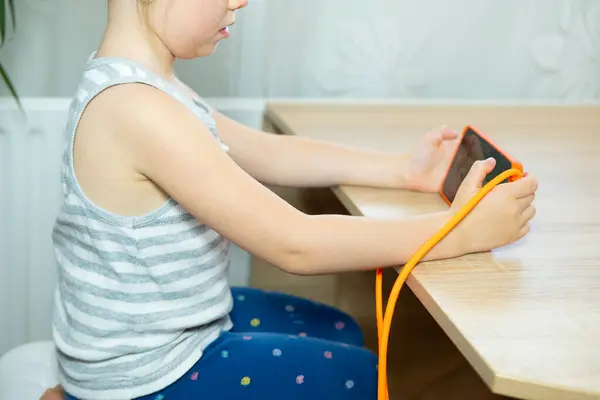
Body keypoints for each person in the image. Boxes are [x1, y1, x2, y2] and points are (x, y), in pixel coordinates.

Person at [40, 0, 538, 399]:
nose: (241, 2)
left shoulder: (149, 86)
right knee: (368, 375)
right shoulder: (137, 109)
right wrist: (460, 232)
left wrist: (402, 170)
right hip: (149, 375)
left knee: (343, 327)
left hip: (161, 336)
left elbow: (267, 153)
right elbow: (294, 244)